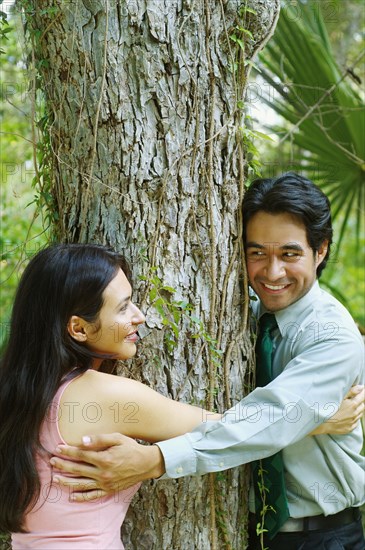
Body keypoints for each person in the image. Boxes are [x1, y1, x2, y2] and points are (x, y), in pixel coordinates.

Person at [50, 173, 365, 550]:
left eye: (290, 254)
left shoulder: (331, 336)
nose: (272, 272)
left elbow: (272, 419)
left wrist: (155, 460)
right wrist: (316, 423)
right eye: (257, 253)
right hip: (244, 532)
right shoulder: (241, 315)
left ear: (321, 250)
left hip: (319, 537)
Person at [0, 243, 221, 549]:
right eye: (123, 307)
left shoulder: (17, 396)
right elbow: (238, 428)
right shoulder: (99, 394)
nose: (140, 317)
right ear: (78, 328)